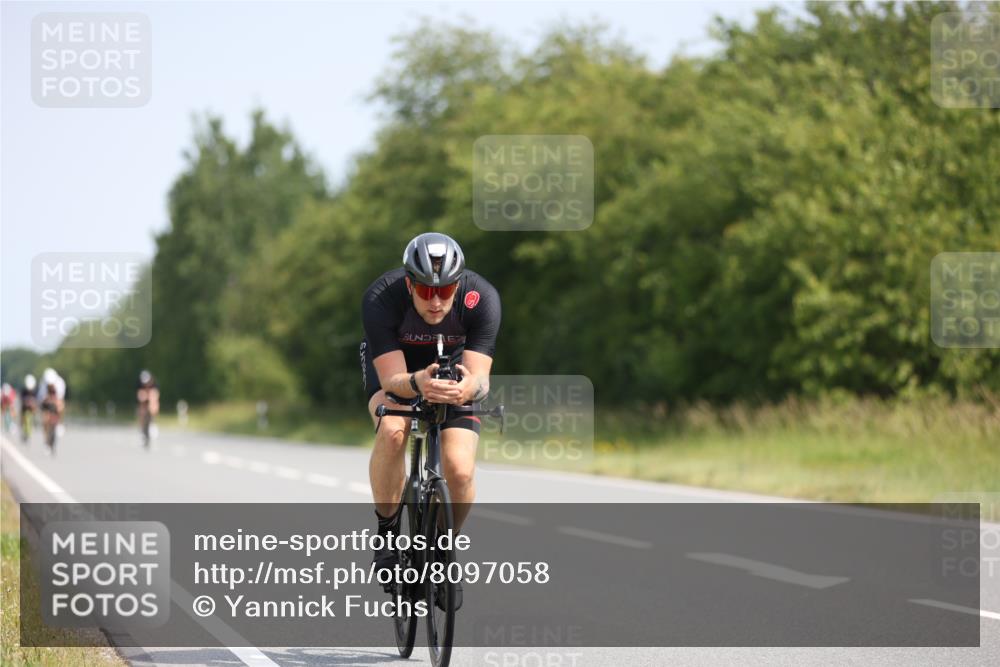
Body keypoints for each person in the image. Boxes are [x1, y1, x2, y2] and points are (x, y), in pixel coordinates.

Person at [360, 232, 501, 609]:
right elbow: (391, 380)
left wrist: (466, 388)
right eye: (425, 292)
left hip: (452, 371)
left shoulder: (481, 299)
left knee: (460, 471)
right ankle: (387, 534)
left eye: (446, 290)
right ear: (409, 284)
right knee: (392, 431)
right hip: (399, 366)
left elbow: (480, 378)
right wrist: (418, 382)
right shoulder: (382, 298)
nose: (436, 301)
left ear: (459, 284)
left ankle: (440, 550)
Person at [136, 370, 160, 447]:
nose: (146, 384)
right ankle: (143, 427)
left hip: (152, 398)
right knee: (142, 408)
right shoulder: (139, 384)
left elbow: (155, 396)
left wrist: (150, 398)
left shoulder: (155, 384)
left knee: (153, 401)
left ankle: (152, 422)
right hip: (143, 399)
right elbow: (140, 396)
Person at [20, 374, 37, 442]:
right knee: (23, 418)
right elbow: (21, 400)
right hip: (24, 408)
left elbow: (36, 401)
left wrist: (33, 404)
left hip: (31, 409)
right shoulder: (23, 391)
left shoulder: (34, 392)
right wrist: (26, 403)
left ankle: (34, 423)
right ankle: (22, 427)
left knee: (32, 417)